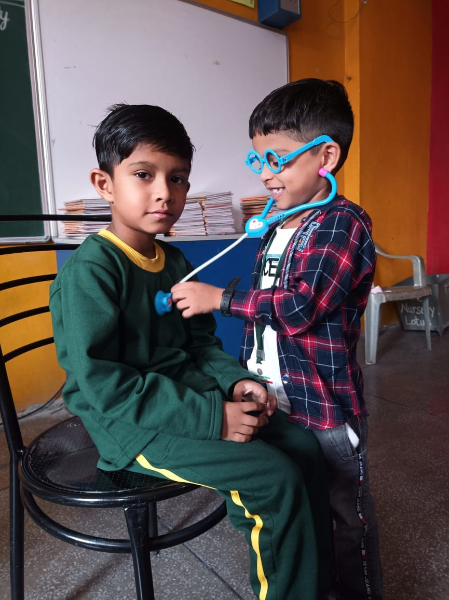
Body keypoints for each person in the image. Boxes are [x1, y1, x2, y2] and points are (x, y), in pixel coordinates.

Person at [49, 103, 331, 600]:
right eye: (144, 174)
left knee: (305, 449)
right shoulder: (90, 272)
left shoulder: (175, 260)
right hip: (128, 426)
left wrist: (236, 382)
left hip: (187, 396)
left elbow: (201, 345)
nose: (165, 192)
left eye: (177, 178)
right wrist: (214, 418)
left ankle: (317, 584)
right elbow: (105, 389)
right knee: (271, 477)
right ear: (104, 184)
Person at [171, 79, 383, 600]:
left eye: (277, 160)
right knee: (302, 509)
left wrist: (220, 298)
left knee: (346, 517)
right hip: (276, 398)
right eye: (258, 160)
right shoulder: (276, 224)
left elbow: (299, 307)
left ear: (326, 157)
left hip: (323, 406)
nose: (265, 174)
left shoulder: (343, 223)